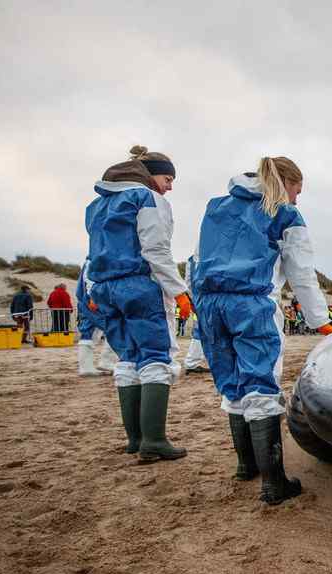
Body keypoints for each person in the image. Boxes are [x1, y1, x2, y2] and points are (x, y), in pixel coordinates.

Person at [193, 156, 332, 505]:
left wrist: (197, 306)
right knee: (261, 385)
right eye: (297, 190)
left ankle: (246, 465)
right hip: (251, 305)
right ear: (285, 183)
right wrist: (322, 322)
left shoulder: (216, 207)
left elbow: (195, 259)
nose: (297, 199)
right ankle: (274, 484)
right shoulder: (285, 214)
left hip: (210, 304)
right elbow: (302, 273)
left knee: (234, 385)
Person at [85, 144, 190, 461]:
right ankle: (154, 440)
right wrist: (179, 291)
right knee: (157, 357)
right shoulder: (147, 198)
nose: (170, 187)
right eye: (168, 178)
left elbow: (93, 251)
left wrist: (92, 290)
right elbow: (155, 249)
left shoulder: (96, 204)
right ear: (151, 174)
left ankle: (135, 439)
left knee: (128, 359)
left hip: (105, 287)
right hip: (139, 286)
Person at [76, 261, 118, 376]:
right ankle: (104, 362)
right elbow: (90, 275)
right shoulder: (96, 256)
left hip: (92, 297)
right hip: (95, 298)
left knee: (91, 330)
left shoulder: (95, 254)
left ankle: (88, 366)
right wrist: (92, 296)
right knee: (115, 327)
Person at [182, 254, 209, 373]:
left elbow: (188, 282)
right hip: (205, 296)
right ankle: (192, 361)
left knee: (203, 328)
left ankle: (192, 361)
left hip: (198, 296)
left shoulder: (191, 259)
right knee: (202, 328)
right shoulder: (206, 255)